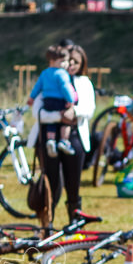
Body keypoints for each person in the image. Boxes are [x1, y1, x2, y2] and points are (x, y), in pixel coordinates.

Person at [46, 43, 94, 223]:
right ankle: (47, 224)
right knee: (52, 183)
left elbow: (89, 108)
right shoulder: (53, 77)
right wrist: (56, 116)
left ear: (82, 64)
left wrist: (75, 112)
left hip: (75, 137)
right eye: (69, 60)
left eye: (76, 61)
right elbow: (37, 109)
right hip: (51, 136)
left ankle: (75, 221)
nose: (72, 64)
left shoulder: (84, 82)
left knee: (73, 183)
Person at [28, 44, 77, 159]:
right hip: (59, 101)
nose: (65, 64)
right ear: (53, 61)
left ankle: (50, 140)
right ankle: (64, 141)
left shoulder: (44, 73)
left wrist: (31, 98)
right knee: (66, 122)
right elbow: (66, 87)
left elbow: (37, 87)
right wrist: (71, 101)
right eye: (63, 61)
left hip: (47, 101)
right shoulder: (62, 73)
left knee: (51, 122)